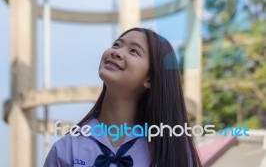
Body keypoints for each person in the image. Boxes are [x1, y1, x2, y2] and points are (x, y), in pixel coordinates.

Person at [43, 27, 202, 166]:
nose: (116, 52)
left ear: (150, 79)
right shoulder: (67, 148)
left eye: (134, 51)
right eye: (116, 45)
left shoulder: (173, 153)